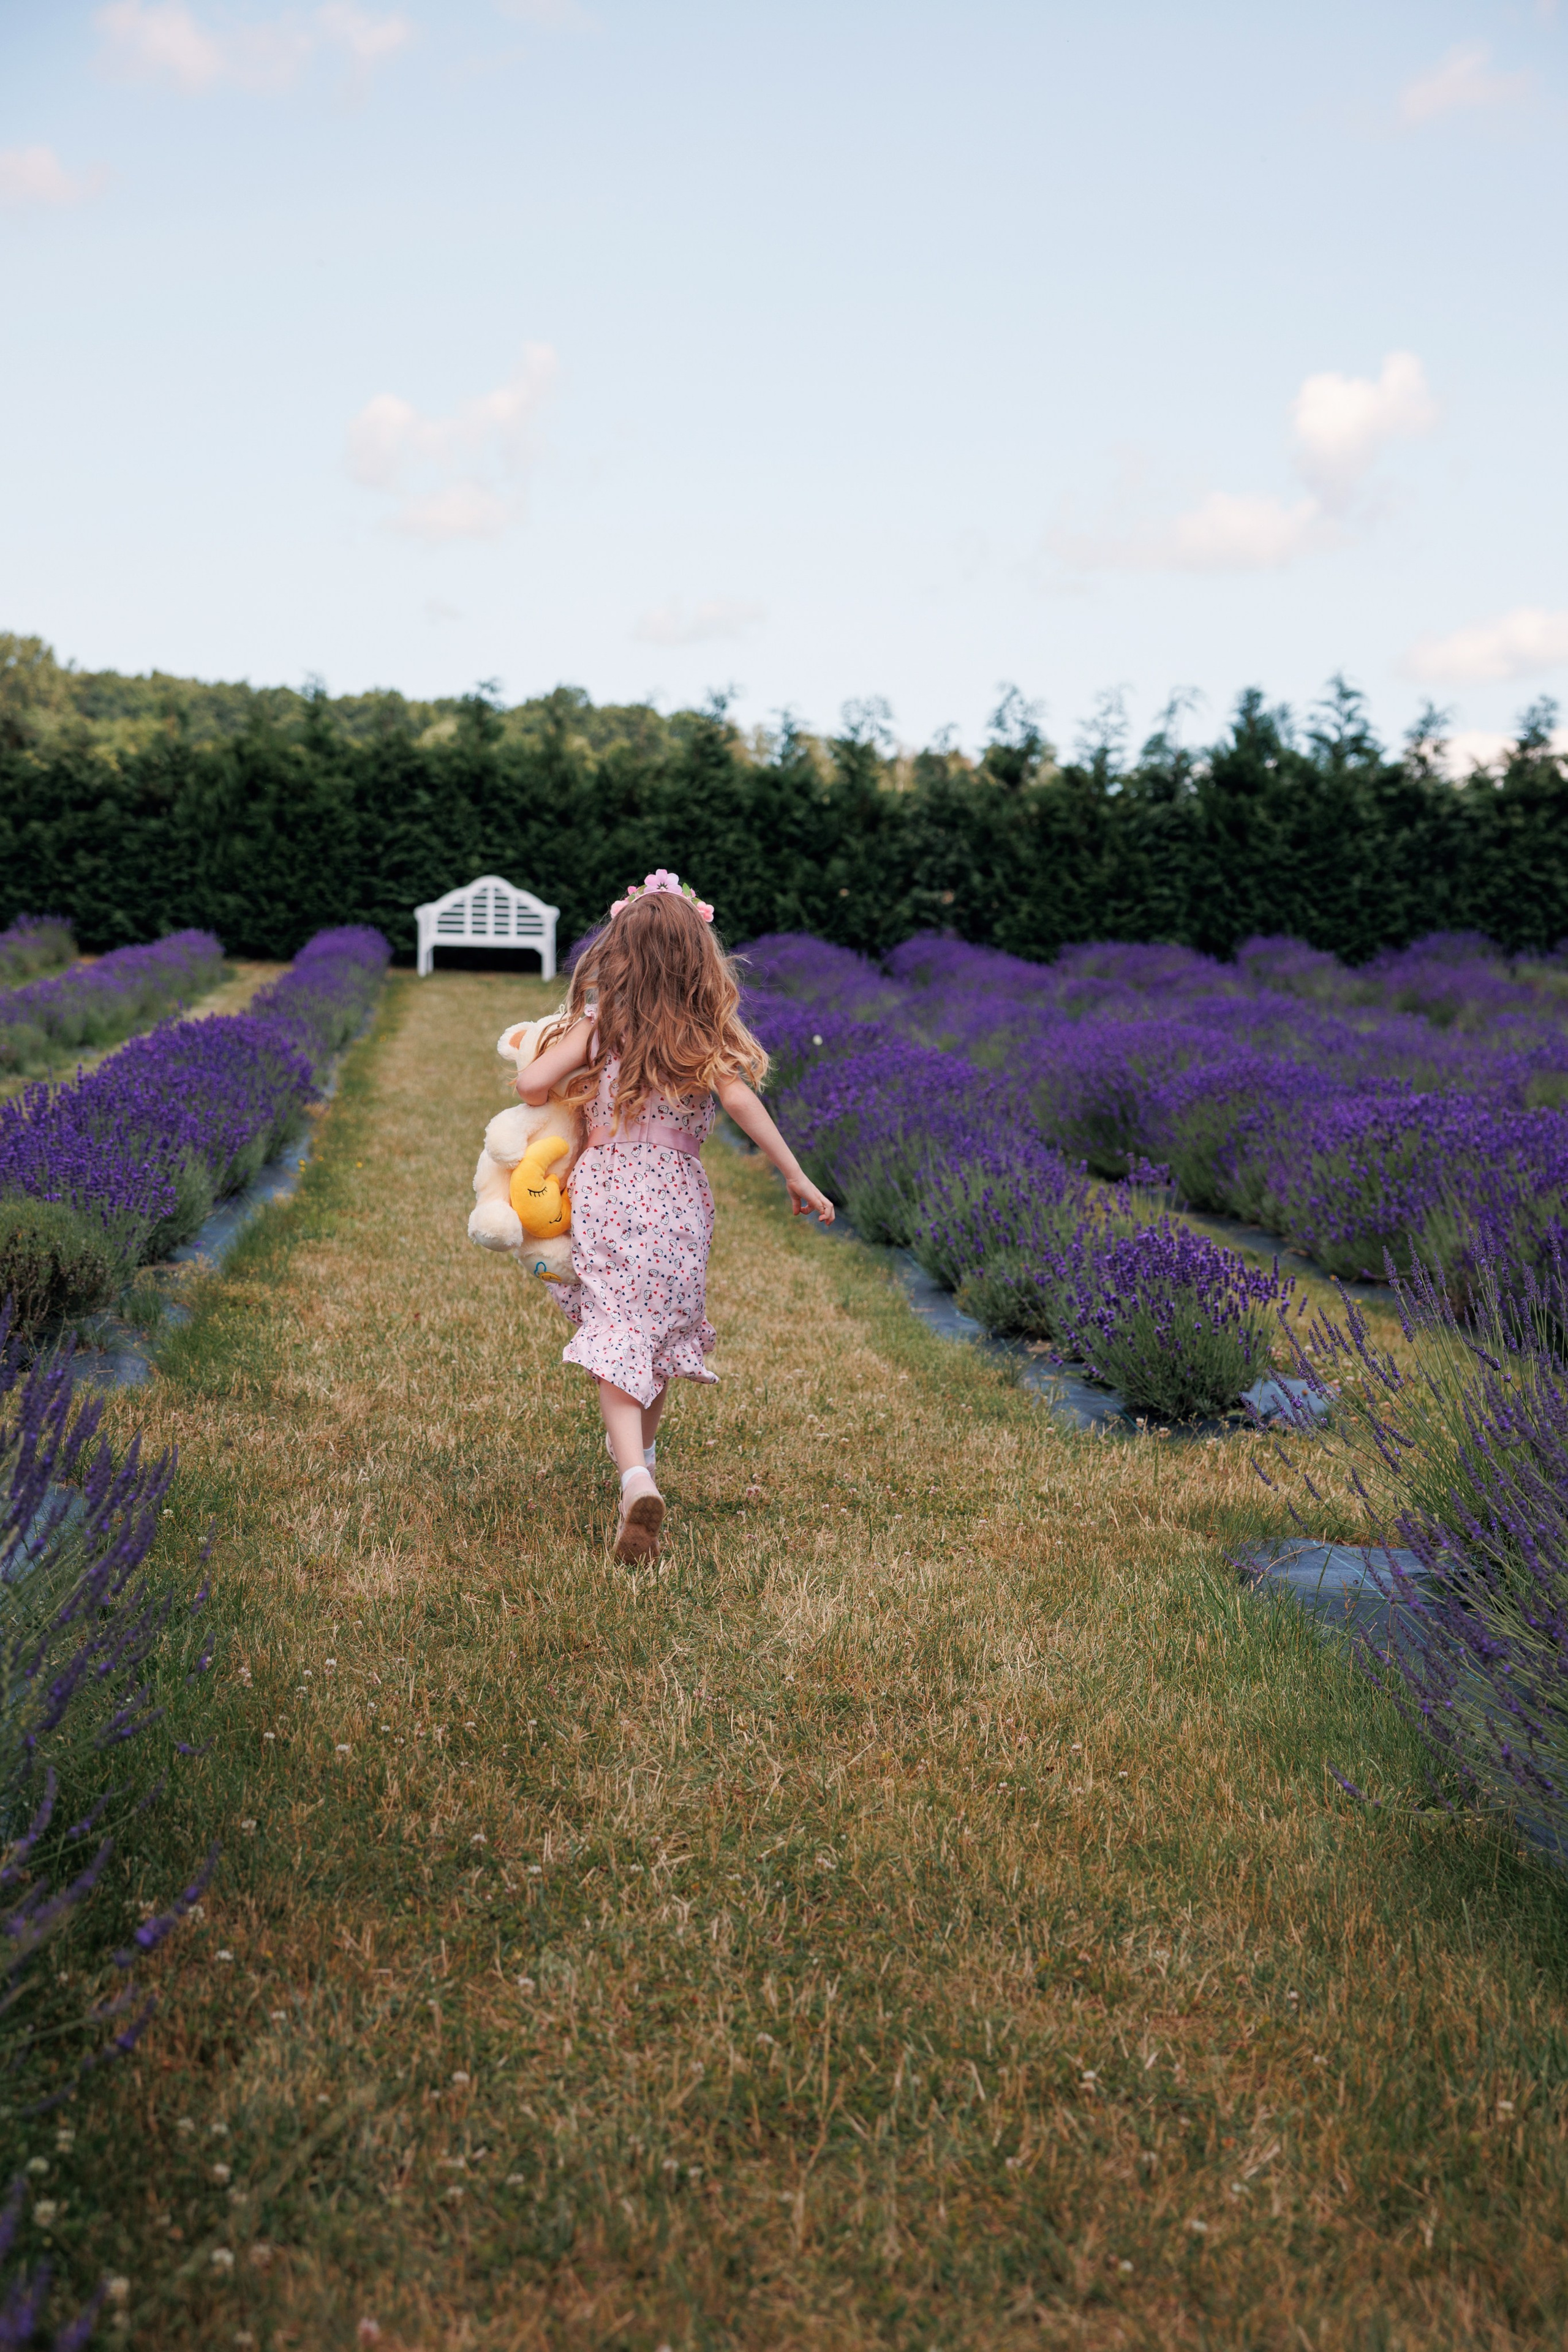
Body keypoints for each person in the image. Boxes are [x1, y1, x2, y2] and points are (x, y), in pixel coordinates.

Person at [520, 871, 835, 1563]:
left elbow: (531, 1084)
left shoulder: (604, 1024)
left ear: (619, 952)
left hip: (608, 1191)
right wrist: (795, 1173)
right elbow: (745, 1106)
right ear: (699, 955)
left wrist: (565, 1036)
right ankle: (646, 1466)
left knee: (615, 1330)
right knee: (657, 1333)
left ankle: (634, 1479)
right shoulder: (704, 1029)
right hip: (680, 1199)